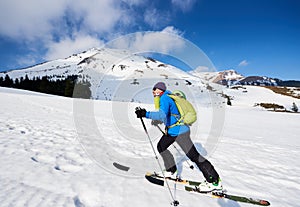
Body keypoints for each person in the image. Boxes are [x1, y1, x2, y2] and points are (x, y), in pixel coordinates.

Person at [135, 82, 222, 192]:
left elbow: (162, 114)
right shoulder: (166, 99)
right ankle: (171, 170)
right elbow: (169, 115)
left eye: (155, 89)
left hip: (180, 132)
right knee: (161, 146)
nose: (153, 91)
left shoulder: (165, 98)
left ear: (161, 90)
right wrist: (157, 120)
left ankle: (214, 181)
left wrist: (145, 114)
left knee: (194, 156)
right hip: (172, 132)